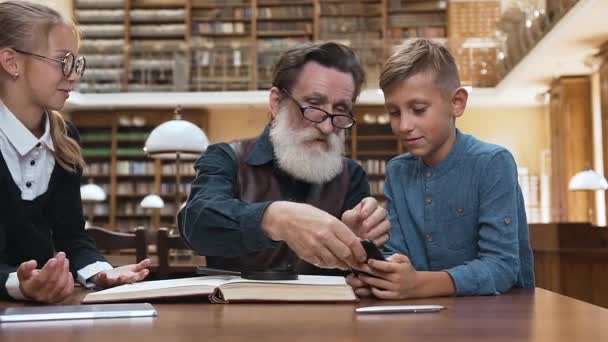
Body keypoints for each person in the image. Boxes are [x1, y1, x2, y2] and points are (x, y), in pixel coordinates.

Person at [178, 42, 390, 274]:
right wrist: (274, 218)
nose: (328, 127)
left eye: (340, 109)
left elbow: (363, 272)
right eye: (314, 105)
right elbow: (196, 224)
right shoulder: (226, 157)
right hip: (237, 308)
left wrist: (358, 245)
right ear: (277, 102)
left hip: (328, 308)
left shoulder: (351, 175)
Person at [347, 39, 535, 299]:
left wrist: (416, 285)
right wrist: (378, 276)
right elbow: (396, 253)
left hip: (497, 318)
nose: (404, 125)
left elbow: (502, 267)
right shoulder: (397, 171)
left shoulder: (493, 162)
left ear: (457, 102)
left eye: (418, 109)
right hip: (423, 317)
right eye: (394, 112)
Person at [0, 1, 150, 304]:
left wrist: (100, 273)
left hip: (43, 312)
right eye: (62, 61)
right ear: (11, 61)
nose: (73, 75)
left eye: (76, 63)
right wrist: (20, 284)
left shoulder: (66, 138)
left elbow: (71, 236)